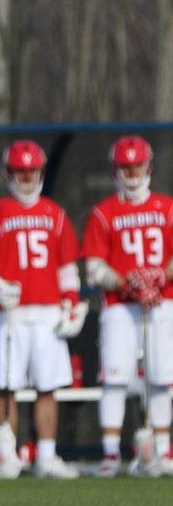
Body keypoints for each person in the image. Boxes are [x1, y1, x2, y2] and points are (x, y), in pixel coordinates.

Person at [0, 140, 85, 480]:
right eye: (20, 172)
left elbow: (67, 266)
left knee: (47, 386)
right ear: (10, 173)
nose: (26, 178)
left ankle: (47, 456)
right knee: (7, 385)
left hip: (48, 311)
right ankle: (6, 452)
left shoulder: (55, 214)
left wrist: (70, 301)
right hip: (11, 313)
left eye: (31, 171)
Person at [83, 135, 173, 477]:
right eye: (125, 166)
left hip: (162, 302)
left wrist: (159, 277)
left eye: (136, 165)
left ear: (148, 166)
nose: (132, 173)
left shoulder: (166, 207)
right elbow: (93, 266)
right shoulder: (104, 212)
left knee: (162, 377)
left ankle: (162, 450)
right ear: (115, 170)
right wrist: (126, 282)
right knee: (115, 378)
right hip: (119, 305)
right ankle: (110, 453)